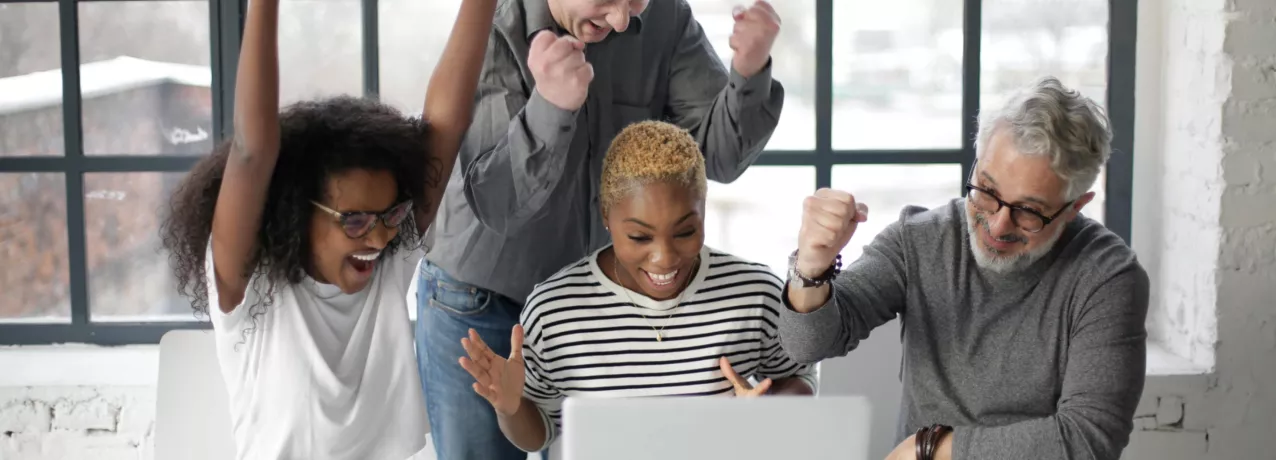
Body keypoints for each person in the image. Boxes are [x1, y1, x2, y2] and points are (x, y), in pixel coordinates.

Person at [415, 0, 786, 457]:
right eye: (608, 0)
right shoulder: (494, 26)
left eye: (634, 2)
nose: (623, 20)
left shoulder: (665, 17)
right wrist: (549, 107)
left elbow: (717, 157)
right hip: (481, 301)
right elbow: (498, 204)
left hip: (586, 308)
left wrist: (749, 73)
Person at [159, 0, 496, 457]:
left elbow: (447, 120)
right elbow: (253, 151)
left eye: (390, 215)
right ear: (297, 211)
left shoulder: (390, 262)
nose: (378, 239)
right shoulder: (254, 290)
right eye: (354, 220)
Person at [777, 76, 1148, 460]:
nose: (998, 224)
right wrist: (812, 265)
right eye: (986, 191)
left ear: (1075, 206)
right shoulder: (920, 239)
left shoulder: (1107, 276)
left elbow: (1089, 439)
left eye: (1030, 211)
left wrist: (930, 450)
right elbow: (808, 344)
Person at [455, 120, 817, 458]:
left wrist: (770, 412)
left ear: (703, 211)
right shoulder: (555, 310)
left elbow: (798, 377)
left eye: (686, 231)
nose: (664, 258)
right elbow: (541, 433)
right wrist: (511, 407)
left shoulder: (754, 293)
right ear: (606, 216)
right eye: (640, 237)